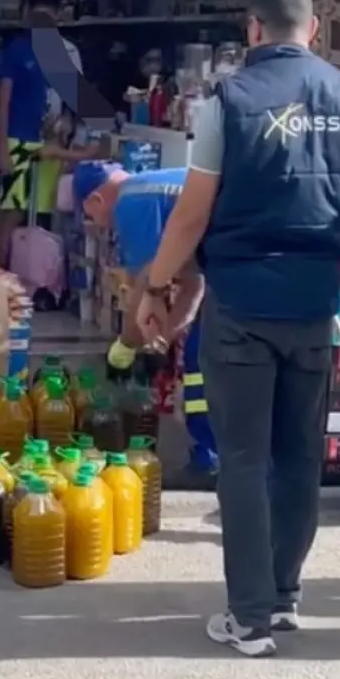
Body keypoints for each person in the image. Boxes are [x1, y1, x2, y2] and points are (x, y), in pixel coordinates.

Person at [136, 0, 340, 656]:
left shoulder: (228, 102)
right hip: (312, 301)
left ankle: (248, 617)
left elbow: (190, 216)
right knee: (299, 453)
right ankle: (284, 594)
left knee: (243, 458)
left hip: (242, 302)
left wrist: (157, 284)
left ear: (251, 29)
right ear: (311, 28)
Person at [72, 162, 216, 486]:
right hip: (246, 258)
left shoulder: (130, 200)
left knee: (203, 361)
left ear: (95, 200)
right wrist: (160, 339)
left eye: (91, 217)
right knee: (203, 352)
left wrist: (124, 347)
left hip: (245, 262)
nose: (99, 225)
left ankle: (213, 459)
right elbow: (194, 285)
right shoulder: (155, 185)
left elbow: (148, 284)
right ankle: (212, 456)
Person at [0, 0, 86, 268]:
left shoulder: (68, 53)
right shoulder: (17, 50)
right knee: (12, 213)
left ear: (59, 16)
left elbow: (76, 104)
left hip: (52, 145)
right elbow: (3, 101)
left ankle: (36, 278)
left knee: (45, 215)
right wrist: (1, 147)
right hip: (18, 140)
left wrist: (69, 131)